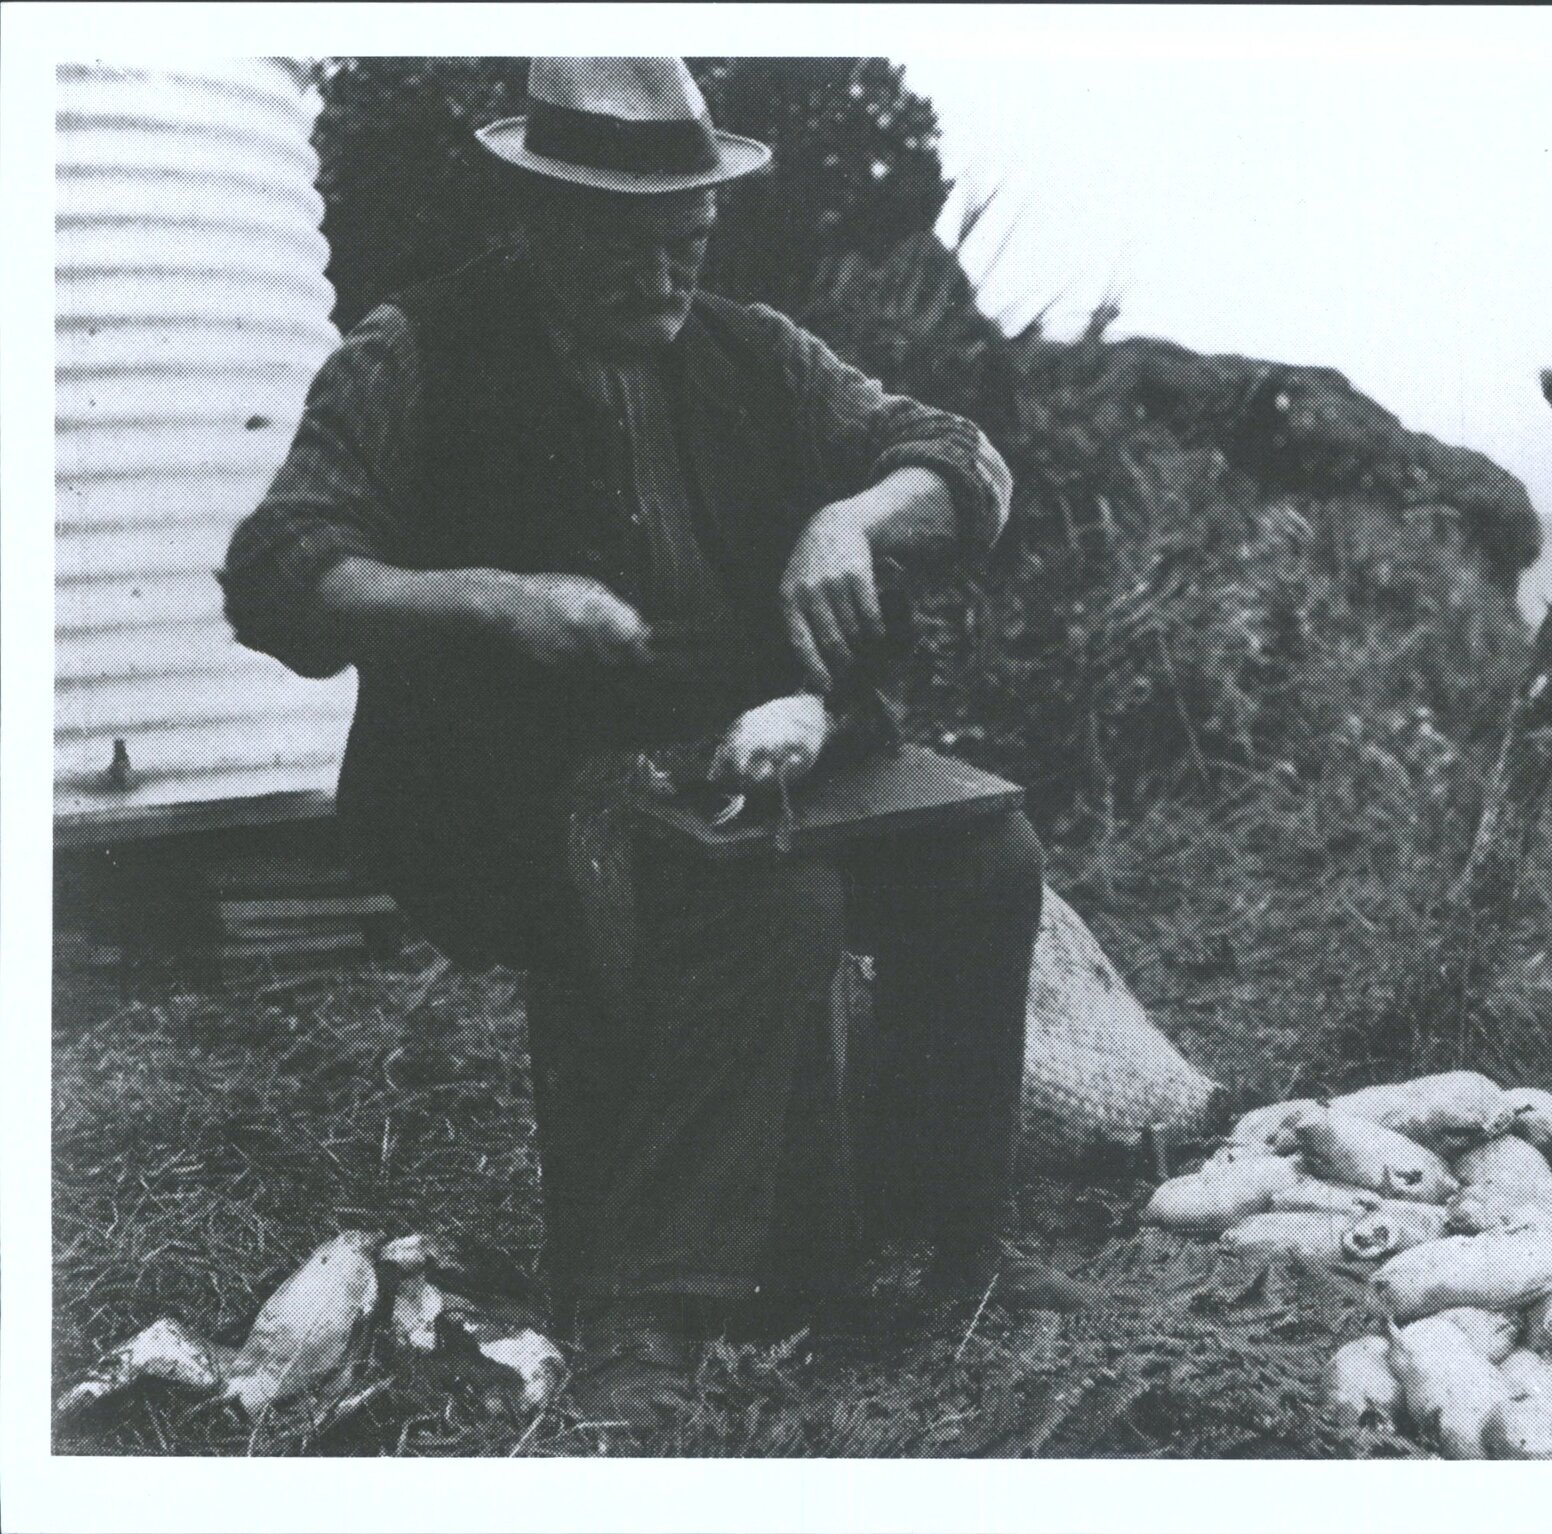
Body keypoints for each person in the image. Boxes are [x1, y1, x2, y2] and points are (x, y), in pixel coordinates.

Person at [221, 58, 1088, 1429]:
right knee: (766, 895)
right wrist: (485, 602)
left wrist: (852, 520)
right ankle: (647, 1308)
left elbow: (964, 463)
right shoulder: (418, 353)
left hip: (745, 748)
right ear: (538, 223)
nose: (666, 283)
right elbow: (277, 575)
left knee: (987, 858)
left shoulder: (756, 355)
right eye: (628, 253)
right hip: (502, 781)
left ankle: (938, 1236)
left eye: (688, 246)